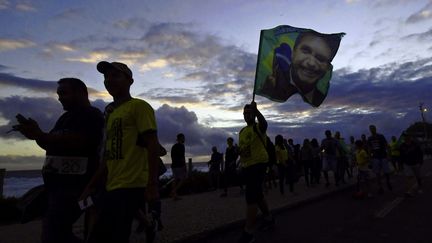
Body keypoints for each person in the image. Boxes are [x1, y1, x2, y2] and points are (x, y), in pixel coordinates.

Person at [13, 78, 104, 243]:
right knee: (54, 231)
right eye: (58, 94)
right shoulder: (64, 118)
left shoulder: (92, 115)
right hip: (57, 187)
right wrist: (36, 136)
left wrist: (42, 135)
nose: (60, 97)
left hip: (77, 188)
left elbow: (80, 141)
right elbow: (51, 144)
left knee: (54, 234)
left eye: (64, 93)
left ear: (81, 93)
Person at [81, 61, 160, 243]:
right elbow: (109, 155)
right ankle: (150, 224)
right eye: (106, 77)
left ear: (130, 81)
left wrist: (152, 184)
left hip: (131, 184)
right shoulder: (110, 114)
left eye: (115, 75)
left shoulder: (139, 107)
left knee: (106, 235)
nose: (109, 80)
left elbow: (152, 144)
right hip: (112, 184)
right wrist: (91, 185)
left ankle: (149, 224)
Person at [260, 31, 342, 107]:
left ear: (327, 68)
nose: (311, 63)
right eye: (306, 51)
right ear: (293, 53)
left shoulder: (324, 100)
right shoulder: (271, 87)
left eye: (320, 58)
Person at [237, 102, 274, 243]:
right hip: (247, 166)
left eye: (249, 112)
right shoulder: (242, 132)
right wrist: (239, 159)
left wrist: (257, 111)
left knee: (251, 196)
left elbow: (264, 123)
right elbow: (242, 150)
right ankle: (269, 218)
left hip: (259, 165)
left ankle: (248, 232)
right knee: (258, 195)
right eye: (245, 113)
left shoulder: (258, 127)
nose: (247, 115)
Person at [367, 125, 392, 194]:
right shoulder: (369, 138)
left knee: (386, 172)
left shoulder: (381, 136)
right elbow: (369, 149)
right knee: (377, 174)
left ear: (375, 129)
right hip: (375, 158)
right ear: (370, 130)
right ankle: (380, 187)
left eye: (373, 128)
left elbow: (386, 145)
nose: (372, 130)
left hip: (383, 156)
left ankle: (388, 182)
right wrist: (369, 159)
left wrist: (389, 155)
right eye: (371, 129)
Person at [170, 133, 187, 200]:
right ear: (181, 138)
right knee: (183, 178)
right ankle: (173, 191)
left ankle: (174, 195)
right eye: (183, 138)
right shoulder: (181, 146)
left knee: (175, 179)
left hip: (173, 165)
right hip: (179, 165)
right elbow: (182, 157)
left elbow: (172, 156)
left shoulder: (174, 146)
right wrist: (184, 166)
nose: (184, 139)